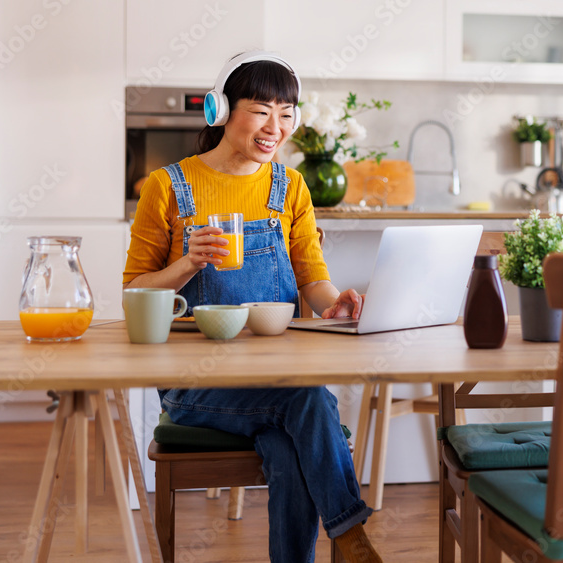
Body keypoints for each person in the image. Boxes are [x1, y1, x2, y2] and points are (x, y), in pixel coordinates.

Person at [123, 52, 382, 562]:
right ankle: (351, 536)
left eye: (286, 113)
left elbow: (313, 280)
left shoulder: (291, 187)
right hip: (195, 385)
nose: (275, 127)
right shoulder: (167, 186)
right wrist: (187, 265)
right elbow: (134, 292)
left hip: (274, 377)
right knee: (307, 400)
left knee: (289, 444)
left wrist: (339, 305)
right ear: (221, 111)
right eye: (262, 109)